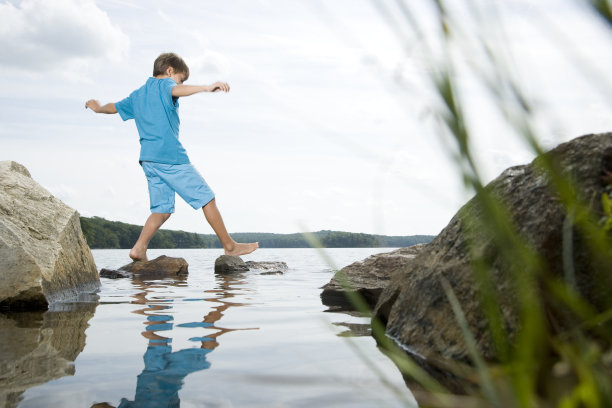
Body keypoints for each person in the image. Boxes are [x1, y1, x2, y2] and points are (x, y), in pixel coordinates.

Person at [85, 52, 258, 261]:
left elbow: (112, 108)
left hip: (148, 160)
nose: (182, 83)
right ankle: (229, 246)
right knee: (207, 198)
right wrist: (206, 87)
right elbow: (176, 89)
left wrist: (96, 107)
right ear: (169, 71)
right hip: (171, 158)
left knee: (162, 210)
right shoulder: (165, 85)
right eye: (181, 77)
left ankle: (138, 249)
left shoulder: (137, 95)